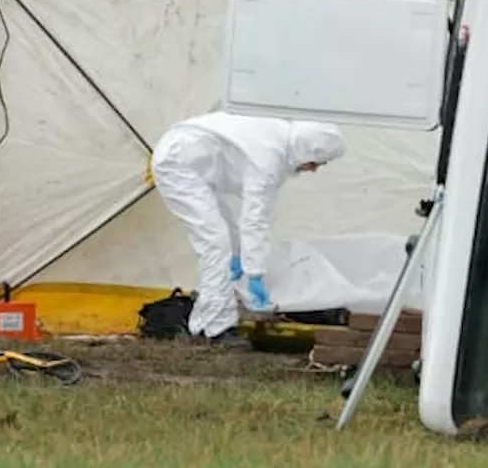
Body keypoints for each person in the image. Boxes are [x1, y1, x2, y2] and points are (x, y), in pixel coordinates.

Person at [149, 111, 347, 347]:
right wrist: (254, 272)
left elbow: (254, 216)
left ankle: (204, 318)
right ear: (306, 151)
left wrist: (241, 256)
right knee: (215, 242)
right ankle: (216, 328)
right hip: (178, 164)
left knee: (225, 236)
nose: (313, 169)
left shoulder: (279, 140)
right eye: (316, 163)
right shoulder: (270, 156)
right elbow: (256, 219)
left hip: (188, 161)